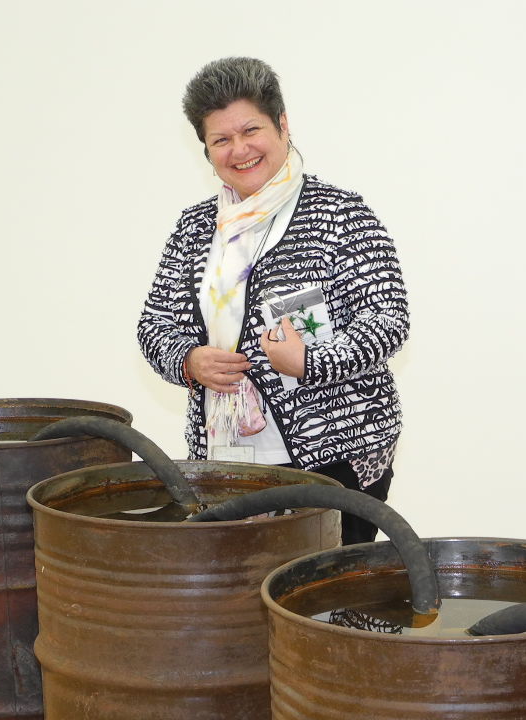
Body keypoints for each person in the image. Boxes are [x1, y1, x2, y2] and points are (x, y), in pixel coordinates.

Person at [138, 56, 409, 544]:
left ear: (282, 125)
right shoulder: (194, 228)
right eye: (221, 140)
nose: (239, 150)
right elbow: (155, 326)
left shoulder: (341, 214)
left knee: (323, 590)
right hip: (227, 464)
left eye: (251, 130)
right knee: (241, 589)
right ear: (206, 150)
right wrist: (189, 360)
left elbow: (387, 320)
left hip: (336, 460)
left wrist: (310, 361)